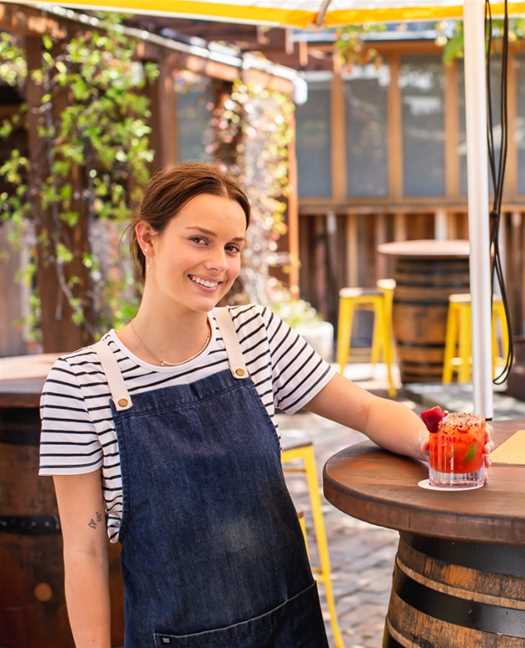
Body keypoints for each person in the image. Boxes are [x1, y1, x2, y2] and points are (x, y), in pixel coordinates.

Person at [38, 163, 439, 648]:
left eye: (232, 248)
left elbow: (370, 412)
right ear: (148, 238)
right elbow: (82, 552)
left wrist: (436, 444)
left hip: (289, 627)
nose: (220, 264)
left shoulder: (254, 335)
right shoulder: (80, 382)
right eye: (199, 240)